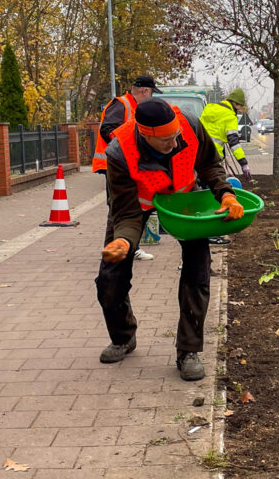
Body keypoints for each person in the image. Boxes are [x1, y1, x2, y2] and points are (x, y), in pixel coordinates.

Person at [96, 99, 244, 381]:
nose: (175, 144)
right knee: (110, 278)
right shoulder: (119, 152)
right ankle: (123, 337)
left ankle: (188, 351)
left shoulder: (188, 124)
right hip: (136, 207)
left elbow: (210, 165)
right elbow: (125, 213)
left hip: (184, 201)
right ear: (146, 136)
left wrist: (225, 194)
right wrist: (125, 243)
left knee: (197, 272)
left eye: (176, 136)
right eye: (166, 140)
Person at [92, 74, 163, 260]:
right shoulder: (122, 104)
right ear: (145, 91)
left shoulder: (131, 106)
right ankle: (116, 249)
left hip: (124, 164)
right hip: (115, 164)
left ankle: (126, 247)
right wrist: (127, 146)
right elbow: (107, 129)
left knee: (127, 206)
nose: (151, 98)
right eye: (151, 93)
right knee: (119, 208)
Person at [200, 87, 252, 245]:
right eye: (241, 106)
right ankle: (211, 232)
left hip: (197, 156)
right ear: (235, 104)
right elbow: (234, 142)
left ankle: (203, 230)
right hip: (212, 161)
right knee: (214, 195)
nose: (242, 110)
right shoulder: (230, 116)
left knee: (202, 193)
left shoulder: (209, 108)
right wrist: (243, 163)